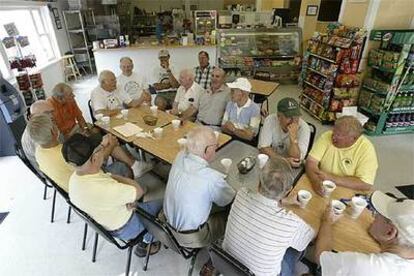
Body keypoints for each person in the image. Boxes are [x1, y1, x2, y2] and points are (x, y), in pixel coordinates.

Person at [62, 133, 162, 257]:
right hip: (127, 227)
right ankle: (147, 241)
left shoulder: (74, 180)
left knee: (127, 182)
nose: (102, 150)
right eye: (99, 149)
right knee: (164, 203)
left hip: (107, 222)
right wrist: (113, 177)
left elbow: (105, 180)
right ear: (94, 159)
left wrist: (108, 176)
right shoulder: (106, 188)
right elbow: (139, 189)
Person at [223, 157, 315, 276]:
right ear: (289, 190)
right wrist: (327, 220)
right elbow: (310, 237)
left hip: (228, 266)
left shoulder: (241, 194)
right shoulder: (291, 223)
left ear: (259, 182)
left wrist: (283, 202)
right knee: (296, 249)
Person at [163, 126, 236, 248]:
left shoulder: (180, 156)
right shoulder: (211, 178)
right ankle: (218, 253)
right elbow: (228, 199)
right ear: (207, 151)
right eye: (215, 146)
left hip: (165, 226)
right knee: (232, 213)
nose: (216, 149)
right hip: (189, 237)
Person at [315, 191, 414, 275]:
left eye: (378, 214)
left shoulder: (362, 265)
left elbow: (321, 257)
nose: (374, 217)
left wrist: (326, 222)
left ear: (389, 232)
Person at [306, 115, 378, 194]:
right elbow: (311, 161)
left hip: (347, 190)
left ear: (353, 138)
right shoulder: (327, 136)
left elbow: (366, 184)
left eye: (338, 135)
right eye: (334, 132)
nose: (333, 137)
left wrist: (331, 178)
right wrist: (315, 181)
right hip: (322, 183)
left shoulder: (366, 149)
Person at [26, 114, 74, 192]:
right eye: (53, 122)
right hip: (81, 190)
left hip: (66, 189)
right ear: (53, 131)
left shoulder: (38, 152)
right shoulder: (67, 153)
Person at [258, 97, 310, 168]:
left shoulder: (304, 128)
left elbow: (296, 158)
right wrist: (283, 160)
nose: (293, 121)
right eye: (289, 117)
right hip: (272, 162)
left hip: (291, 168)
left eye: (296, 117)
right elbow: (263, 148)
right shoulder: (270, 120)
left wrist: (293, 139)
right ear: (279, 116)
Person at [21, 100, 55, 169]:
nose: (51, 116)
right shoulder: (37, 133)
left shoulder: (46, 125)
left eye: (52, 112)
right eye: (46, 113)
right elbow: (50, 161)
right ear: (33, 116)